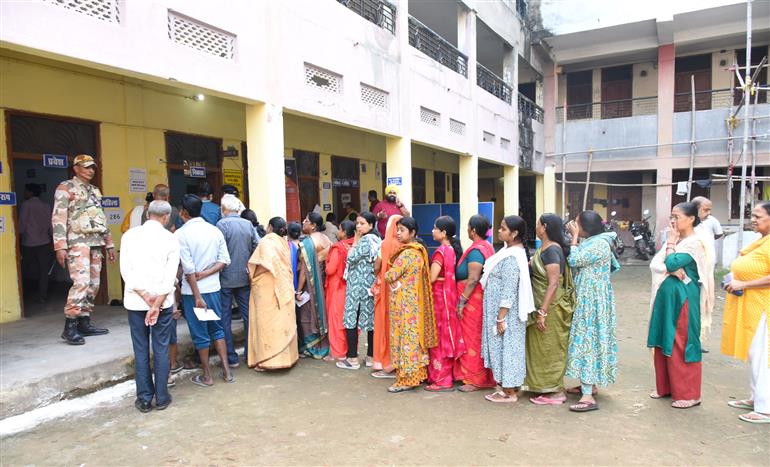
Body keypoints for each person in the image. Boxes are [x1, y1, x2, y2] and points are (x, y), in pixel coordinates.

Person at [648, 202, 713, 409]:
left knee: (682, 341)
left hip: (684, 299)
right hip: (666, 299)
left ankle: (689, 393)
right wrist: (671, 260)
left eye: (677, 217)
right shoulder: (677, 241)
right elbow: (657, 264)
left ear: (691, 218)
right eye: (672, 217)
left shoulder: (694, 242)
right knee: (662, 339)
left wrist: (670, 251)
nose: (673, 221)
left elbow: (671, 263)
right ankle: (666, 386)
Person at [119, 200, 179, 413]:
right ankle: (162, 397)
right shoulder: (171, 239)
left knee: (141, 348)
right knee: (161, 347)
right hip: (162, 303)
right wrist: (157, 301)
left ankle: (144, 398)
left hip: (136, 302)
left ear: (147, 214)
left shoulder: (129, 236)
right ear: (166, 218)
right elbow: (170, 275)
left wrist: (144, 295)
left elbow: (126, 270)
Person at [52, 154, 115, 345]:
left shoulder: (95, 190)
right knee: (81, 282)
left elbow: (101, 218)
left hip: (95, 241)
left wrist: (109, 243)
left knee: (94, 284)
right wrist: (60, 246)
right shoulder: (65, 188)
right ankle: (70, 326)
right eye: (86, 167)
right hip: (77, 242)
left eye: (92, 167)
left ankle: (84, 322)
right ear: (76, 168)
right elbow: (58, 218)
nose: (90, 170)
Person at [563, 211, 621, 412]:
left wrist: (574, 238)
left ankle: (587, 396)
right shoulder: (598, 241)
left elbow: (574, 260)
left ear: (585, 228)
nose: (573, 226)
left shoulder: (598, 244)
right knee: (590, 338)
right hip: (593, 296)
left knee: (588, 339)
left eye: (577, 224)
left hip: (592, 300)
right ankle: (589, 384)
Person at [175, 194, 234, 387]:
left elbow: (189, 269)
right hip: (214, 289)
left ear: (183, 212)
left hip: (194, 294)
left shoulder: (181, 234)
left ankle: (207, 375)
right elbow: (224, 260)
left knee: (200, 334)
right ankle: (226, 372)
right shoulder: (214, 230)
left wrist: (198, 295)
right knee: (217, 330)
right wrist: (207, 273)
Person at [721, 201, 770, 424]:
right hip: (751, 305)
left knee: (763, 355)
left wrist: (744, 285)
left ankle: (765, 407)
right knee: (754, 353)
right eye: (753, 215)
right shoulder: (761, 242)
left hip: (764, 306)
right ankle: (755, 397)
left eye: (758, 216)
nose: (753, 219)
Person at [479, 216, 532, 403]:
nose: (499, 231)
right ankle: (505, 388)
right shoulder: (506, 251)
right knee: (501, 348)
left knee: (507, 349)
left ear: (514, 233)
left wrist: (501, 318)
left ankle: (509, 393)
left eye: (503, 229)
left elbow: (509, 290)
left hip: (505, 314)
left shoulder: (512, 257)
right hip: (498, 311)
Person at [526, 214, 576, 405]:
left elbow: (554, 284)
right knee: (540, 348)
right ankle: (542, 387)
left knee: (551, 348)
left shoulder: (552, 251)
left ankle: (555, 392)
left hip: (552, 307)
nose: (536, 227)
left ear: (544, 227)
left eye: (538, 224)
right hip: (542, 305)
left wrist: (543, 312)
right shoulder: (544, 249)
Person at [383, 217, 437, 392]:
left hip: (403, 304)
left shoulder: (407, 253)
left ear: (412, 233)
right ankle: (417, 375)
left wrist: (388, 272)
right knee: (414, 338)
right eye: (397, 230)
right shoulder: (419, 251)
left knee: (404, 338)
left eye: (402, 230)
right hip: (415, 302)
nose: (398, 233)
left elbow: (390, 276)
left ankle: (405, 380)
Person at [247, 217, 299, 370]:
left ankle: (268, 361)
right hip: (283, 285)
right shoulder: (284, 242)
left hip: (267, 287)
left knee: (267, 323)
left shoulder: (267, 241)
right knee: (281, 320)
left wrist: (253, 276)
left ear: (270, 227)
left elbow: (264, 264)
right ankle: (288, 358)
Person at [455, 215, 496, 392]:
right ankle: (474, 376)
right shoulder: (486, 247)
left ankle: (474, 379)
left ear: (473, 230)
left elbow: (473, 279)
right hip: (476, 299)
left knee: (472, 338)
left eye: (468, 227)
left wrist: (462, 301)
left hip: (473, 300)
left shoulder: (476, 251)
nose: (466, 230)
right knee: (474, 337)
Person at [216, 195, 258, 367]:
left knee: (224, 318)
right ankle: (249, 354)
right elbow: (257, 245)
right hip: (244, 276)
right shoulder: (247, 224)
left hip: (225, 278)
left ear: (224, 209)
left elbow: (217, 252)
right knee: (248, 316)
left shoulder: (221, 225)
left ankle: (231, 358)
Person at [337, 212, 381, 370]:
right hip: (369, 284)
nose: (358, 226)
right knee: (370, 322)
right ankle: (370, 357)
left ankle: (352, 358)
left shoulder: (365, 241)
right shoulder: (376, 239)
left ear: (371, 225)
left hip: (357, 285)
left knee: (350, 318)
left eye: (362, 223)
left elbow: (351, 257)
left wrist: (355, 240)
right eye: (357, 223)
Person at [425, 216, 465, 391]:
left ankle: (441, 379)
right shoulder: (452, 250)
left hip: (439, 298)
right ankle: (447, 375)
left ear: (444, 233)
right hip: (449, 297)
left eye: (435, 228)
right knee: (446, 336)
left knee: (439, 338)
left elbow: (432, 277)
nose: (433, 231)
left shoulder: (440, 251)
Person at [370, 214, 402, 377]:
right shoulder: (405, 245)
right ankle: (397, 362)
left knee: (383, 323)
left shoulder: (385, 244)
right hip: (400, 290)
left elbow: (377, 265)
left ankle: (384, 361)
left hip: (384, 288)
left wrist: (380, 275)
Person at [296, 212, 332, 359]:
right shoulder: (326, 238)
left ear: (313, 225)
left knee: (307, 315)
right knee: (321, 312)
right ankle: (323, 344)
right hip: (323, 282)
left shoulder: (308, 243)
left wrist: (298, 290)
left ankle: (312, 348)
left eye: (306, 220)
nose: (303, 222)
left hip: (310, 285)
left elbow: (305, 271)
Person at [325, 220, 355, 360]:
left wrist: (325, 265)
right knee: (349, 321)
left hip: (338, 288)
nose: (338, 231)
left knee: (336, 321)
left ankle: (337, 353)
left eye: (339, 229)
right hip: (352, 288)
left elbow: (331, 270)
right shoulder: (355, 245)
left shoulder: (338, 248)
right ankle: (350, 350)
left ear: (343, 232)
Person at [19, 183, 53, 303]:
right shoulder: (46, 206)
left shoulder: (25, 205)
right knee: (44, 271)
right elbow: (51, 226)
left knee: (22, 269)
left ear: (30, 192)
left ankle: (21, 295)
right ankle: (42, 296)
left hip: (28, 243)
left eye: (26, 191)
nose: (24, 193)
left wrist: (19, 237)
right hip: (44, 242)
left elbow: (22, 226)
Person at [692, 196, 723, 267]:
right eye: (705, 210)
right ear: (695, 209)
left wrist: (709, 239)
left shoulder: (712, 220)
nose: (709, 213)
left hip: (708, 255)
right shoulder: (688, 221)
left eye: (710, 210)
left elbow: (719, 233)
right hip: (692, 255)